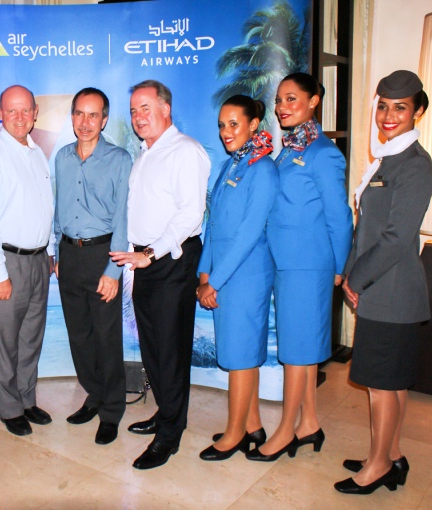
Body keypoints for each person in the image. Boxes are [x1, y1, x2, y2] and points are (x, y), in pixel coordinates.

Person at [336, 70, 432, 495]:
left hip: (393, 291)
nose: (388, 115)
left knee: (382, 385)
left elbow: (396, 239)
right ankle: (391, 454)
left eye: (400, 107)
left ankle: (377, 466)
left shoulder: (415, 166)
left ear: (419, 112)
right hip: (380, 287)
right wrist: (352, 271)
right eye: (382, 106)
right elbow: (366, 229)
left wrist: (357, 276)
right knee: (390, 381)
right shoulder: (387, 159)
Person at [246, 73, 352, 462]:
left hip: (309, 266)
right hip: (286, 263)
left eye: (292, 99)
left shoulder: (323, 153)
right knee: (301, 350)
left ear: (314, 101)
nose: (282, 106)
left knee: (296, 353)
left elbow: (340, 217)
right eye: (279, 100)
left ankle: (286, 431)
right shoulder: (289, 150)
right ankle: (309, 423)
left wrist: (338, 268)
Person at [111, 80, 210, 469]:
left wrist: (151, 253)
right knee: (152, 345)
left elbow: (190, 215)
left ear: (166, 109)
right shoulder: (144, 154)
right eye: (134, 110)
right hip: (144, 261)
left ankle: (170, 433)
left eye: (146, 108)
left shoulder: (186, 151)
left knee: (170, 348)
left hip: (169, 259)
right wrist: (139, 255)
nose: (138, 117)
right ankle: (165, 412)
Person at [0, 85, 55, 436]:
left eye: (25, 110)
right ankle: (8, 407)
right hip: (5, 261)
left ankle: (26, 398)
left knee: (30, 337)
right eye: (11, 110)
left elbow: (43, 207)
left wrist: (49, 252)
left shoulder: (36, 154)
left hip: (37, 262)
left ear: (35, 113)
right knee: (2, 340)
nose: (19, 117)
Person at [196, 95, 278, 461]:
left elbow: (248, 232)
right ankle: (252, 424)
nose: (226, 131)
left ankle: (233, 435)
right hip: (222, 275)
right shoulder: (232, 165)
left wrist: (215, 282)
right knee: (238, 352)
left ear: (253, 124)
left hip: (245, 277)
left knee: (241, 357)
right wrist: (204, 270)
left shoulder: (263, 169)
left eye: (234, 124)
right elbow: (214, 225)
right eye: (222, 125)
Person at [54, 87, 131, 445]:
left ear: (104, 120)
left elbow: (123, 217)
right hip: (69, 257)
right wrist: (56, 254)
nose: (85, 123)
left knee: (105, 337)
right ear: (72, 118)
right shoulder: (62, 158)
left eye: (93, 115)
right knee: (80, 336)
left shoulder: (119, 159)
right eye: (79, 114)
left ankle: (112, 409)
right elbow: (59, 207)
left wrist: (113, 271)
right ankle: (94, 394)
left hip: (103, 256)